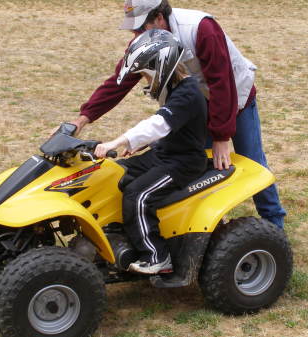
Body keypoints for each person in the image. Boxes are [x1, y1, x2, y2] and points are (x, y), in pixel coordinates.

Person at [70, 0, 287, 229]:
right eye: (133, 29)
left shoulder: (200, 28)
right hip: (194, 107)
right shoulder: (147, 41)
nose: (135, 34)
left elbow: (221, 81)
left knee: (253, 161)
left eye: (140, 27)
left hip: (235, 98)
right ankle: (206, 230)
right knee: (190, 164)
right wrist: (83, 118)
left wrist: (221, 136)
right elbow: (119, 81)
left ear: (159, 18)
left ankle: (274, 225)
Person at [94, 29, 208, 274]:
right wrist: (137, 144)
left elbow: (158, 124)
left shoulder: (188, 93)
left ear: (161, 68)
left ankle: (157, 256)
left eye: (146, 75)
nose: (145, 81)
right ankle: (117, 232)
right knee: (114, 173)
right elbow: (170, 128)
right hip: (166, 153)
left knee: (138, 195)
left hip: (183, 163)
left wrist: (118, 141)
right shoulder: (175, 90)